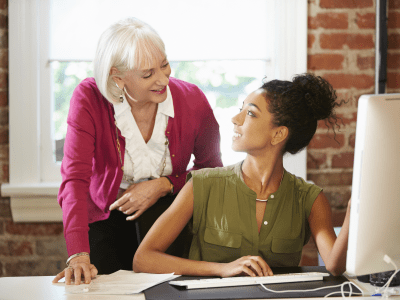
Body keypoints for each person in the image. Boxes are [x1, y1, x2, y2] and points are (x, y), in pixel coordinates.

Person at [52, 17, 222, 285]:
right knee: (103, 286)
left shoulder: (193, 100)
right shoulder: (88, 97)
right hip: (105, 209)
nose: (163, 79)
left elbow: (212, 170)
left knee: (169, 288)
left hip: (170, 209)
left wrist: (164, 184)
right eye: (147, 74)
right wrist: (78, 254)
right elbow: (75, 179)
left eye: (164, 65)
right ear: (117, 77)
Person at [132, 73, 351, 277]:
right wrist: (222, 269)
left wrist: (355, 209)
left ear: (278, 134)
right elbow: (143, 259)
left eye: (251, 113)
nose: (236, 119)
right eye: (241, 109)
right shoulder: (203, 184)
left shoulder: (310, 199)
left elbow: (334, 265)